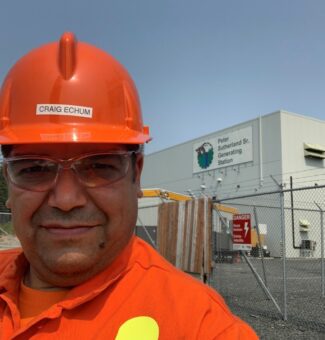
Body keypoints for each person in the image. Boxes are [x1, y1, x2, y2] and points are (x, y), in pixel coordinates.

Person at [0, 32, 258, 339]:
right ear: (8, 182)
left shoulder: (199, 324)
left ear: (137, 173)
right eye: (35, 168)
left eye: (98, 166)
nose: (66, 199)